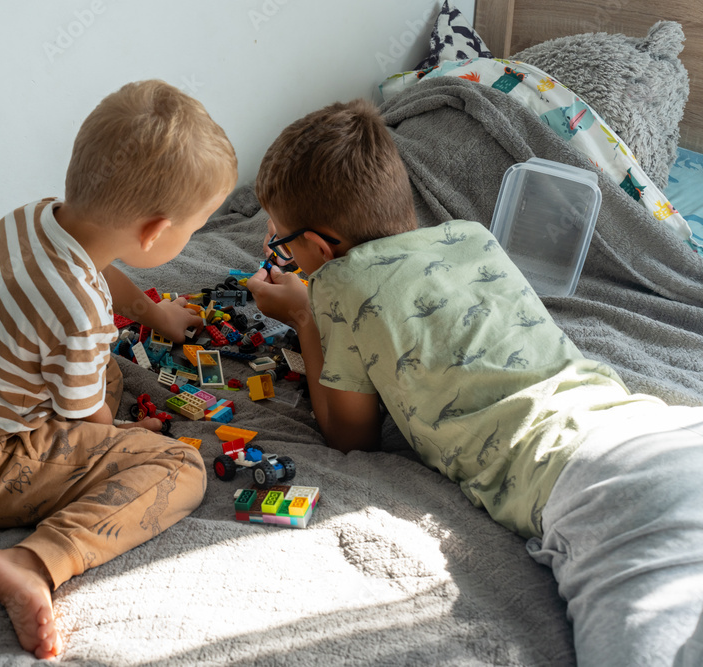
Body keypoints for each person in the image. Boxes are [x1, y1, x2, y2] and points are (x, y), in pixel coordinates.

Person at [245, 98, 703, 666]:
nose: (278, 252)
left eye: (283, 243)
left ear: (319, 248)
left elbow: (348, 436)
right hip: (660, 427)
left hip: (589, 480)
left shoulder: (335, 282)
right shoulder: (470, 236)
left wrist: (305, 315)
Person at [0, 79, 237, 659]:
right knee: (177, 467)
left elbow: (102, 277)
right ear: (154, 231)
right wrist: (121, 437)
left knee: (109, 371)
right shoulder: (78, 309)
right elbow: (88, 419)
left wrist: (152, 313)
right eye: (194, 226)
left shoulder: (34, 217)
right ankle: (31, 564)